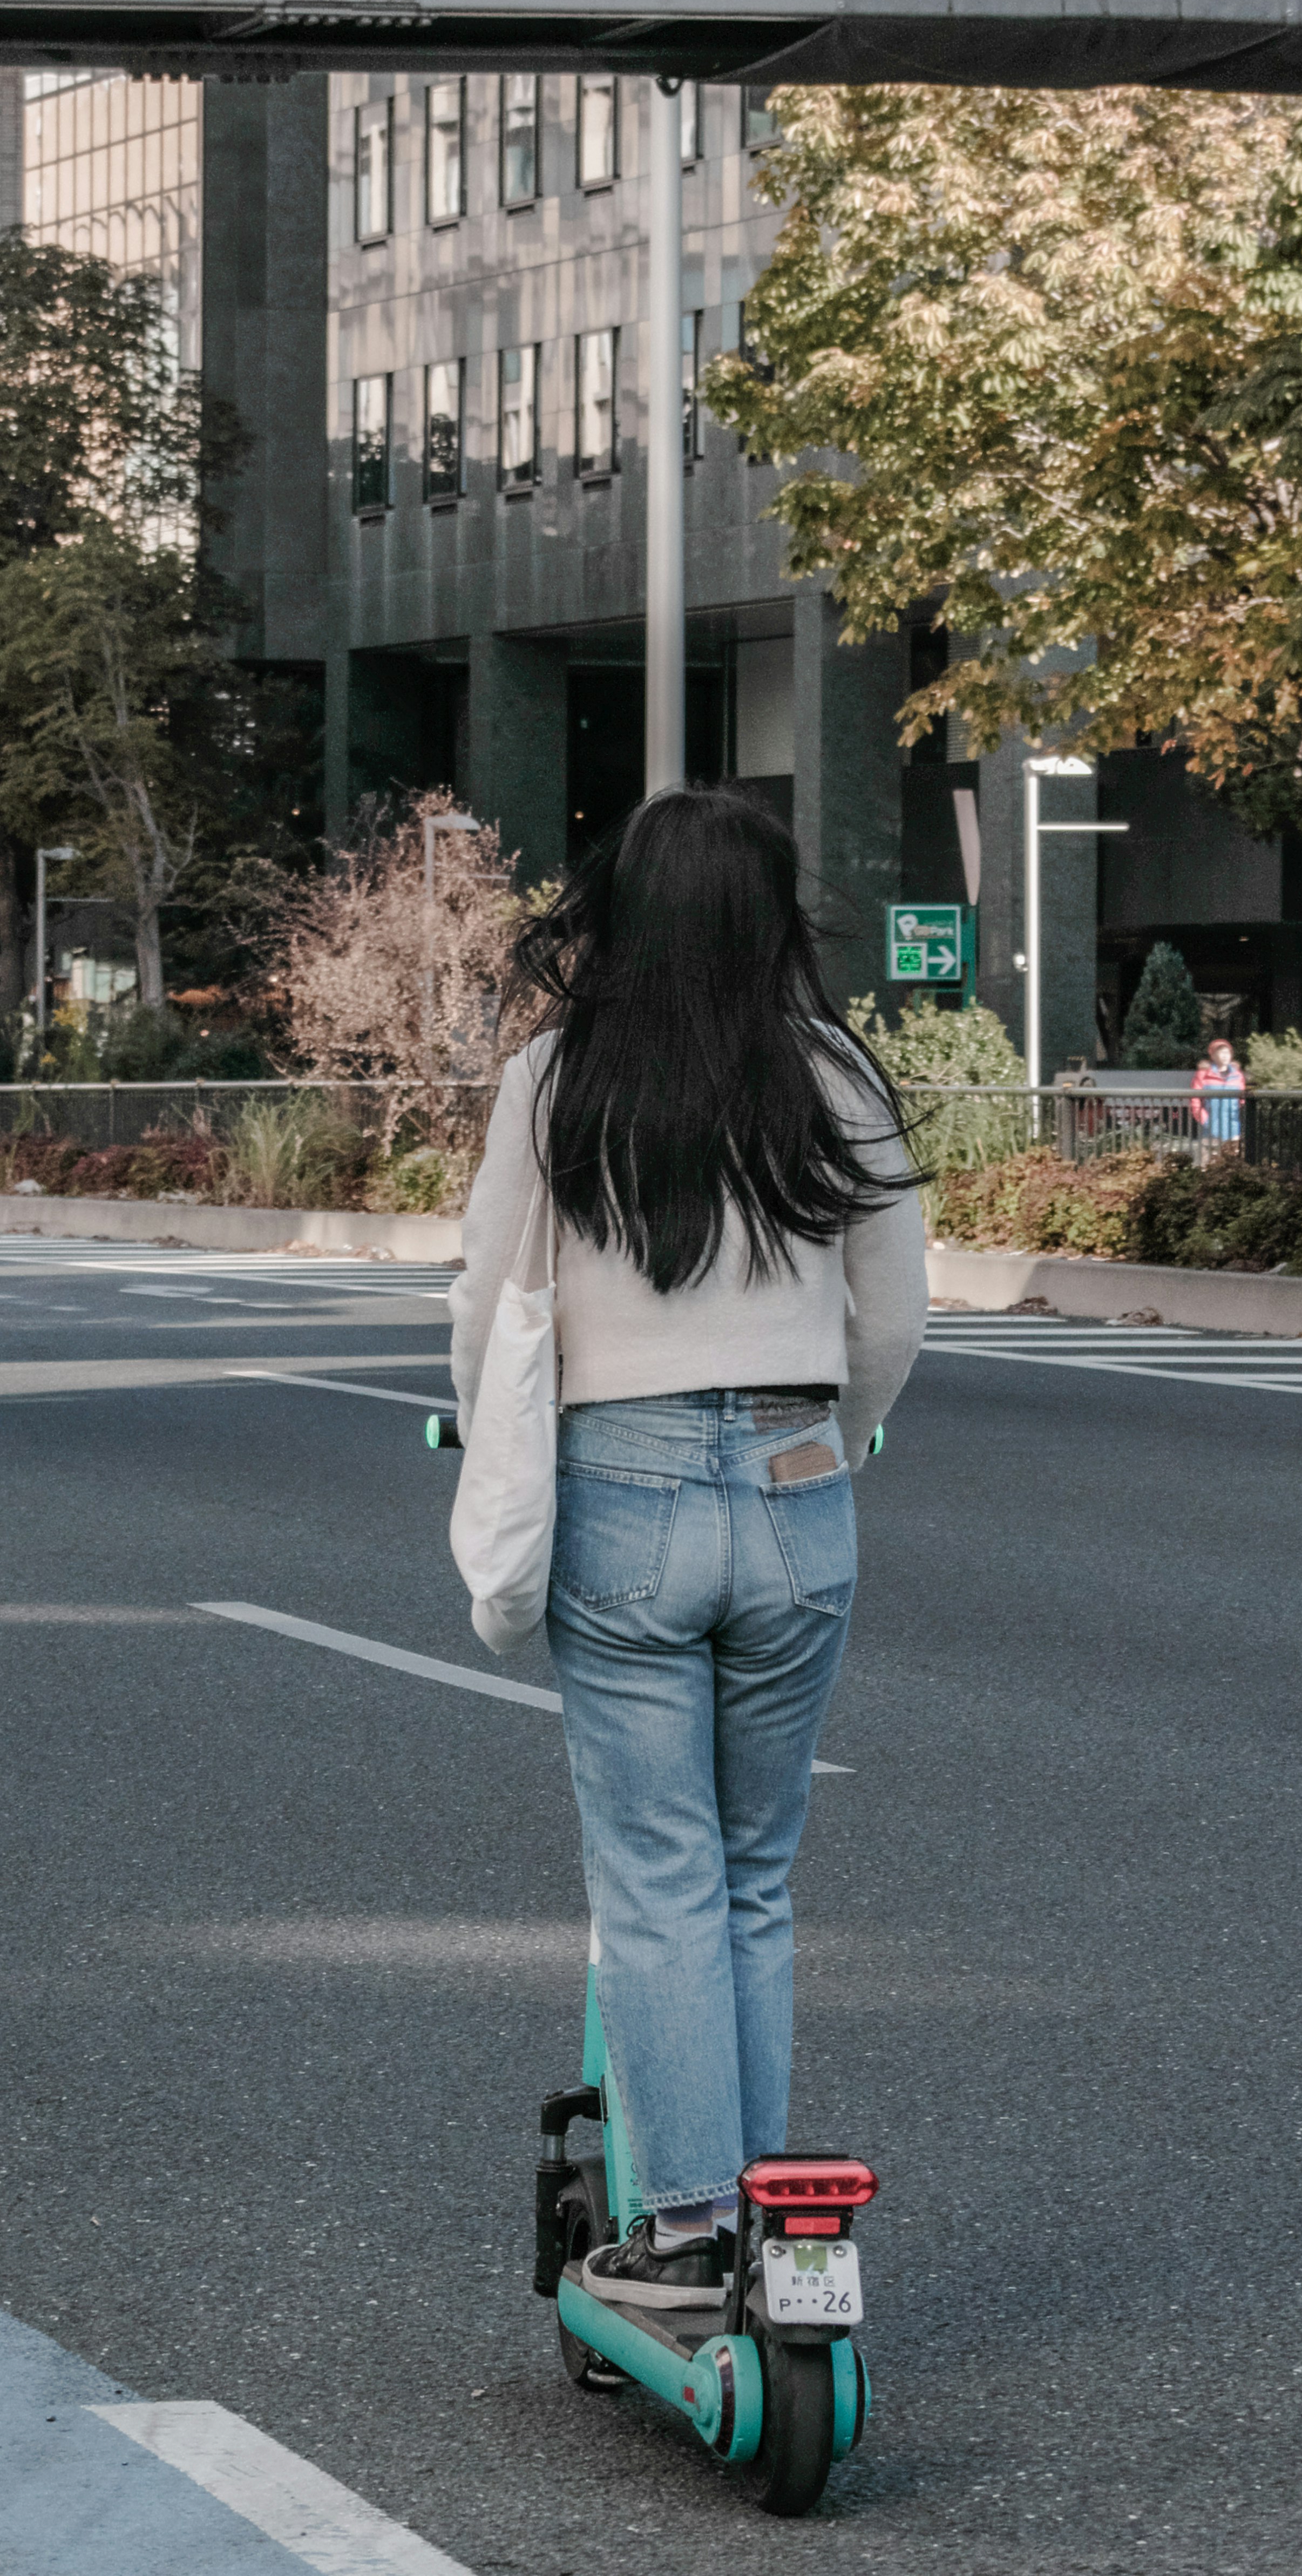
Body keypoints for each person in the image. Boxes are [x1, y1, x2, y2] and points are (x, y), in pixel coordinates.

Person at [450, 787, 927, 2310]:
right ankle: (782, 2234)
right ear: (772, 915)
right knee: (756, 1876)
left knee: (657, 1877)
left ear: (622, 913)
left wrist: (484, 1428)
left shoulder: (555, 1075)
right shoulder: (834, 1072)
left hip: (626, 1491)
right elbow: (893, 1316)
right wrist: (834, 1438)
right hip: (798, 1489)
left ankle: (683, 2227)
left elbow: (483, 1295)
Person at [1191, 1035, 1246, 1153]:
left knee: (1233, 1162)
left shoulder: (1238, 1075)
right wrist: (1205, 1120)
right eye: (1221, 1053)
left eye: (1228, 1052)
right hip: (1211, 1129)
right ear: (1213, 1056)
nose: (1225, 1056)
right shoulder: (1203, 1074)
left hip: (1233, 1129)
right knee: (1210, 1164)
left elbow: (1242, 1099)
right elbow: (1195, 1099)